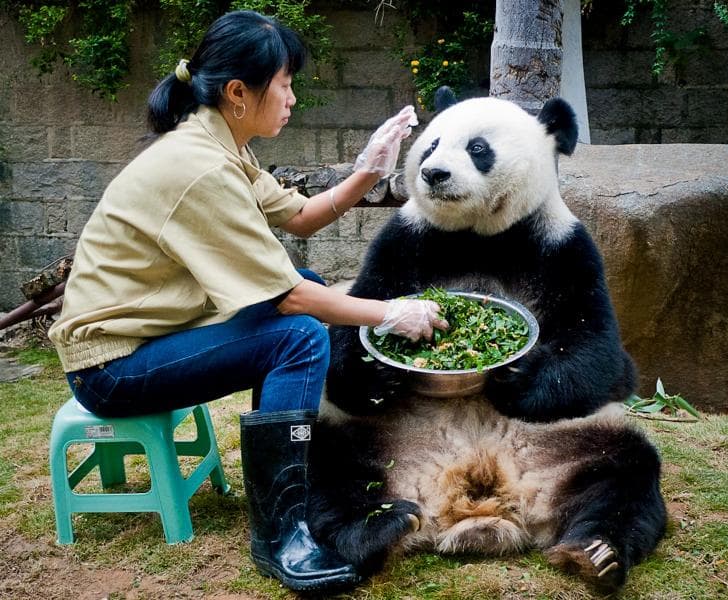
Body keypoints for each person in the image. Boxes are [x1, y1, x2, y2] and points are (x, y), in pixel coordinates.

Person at [47, 10, 447, 593]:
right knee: (300, 333)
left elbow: (304, 219)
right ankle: (281, 533)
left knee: (303, 309)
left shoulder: (222, 145)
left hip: (146, 341)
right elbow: (287, 299)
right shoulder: (200, 169)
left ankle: (292, 481)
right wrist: (391, 313)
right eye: (284, 84)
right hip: (109, 367)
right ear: (239, 93)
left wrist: (368, 169)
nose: (291, 98)